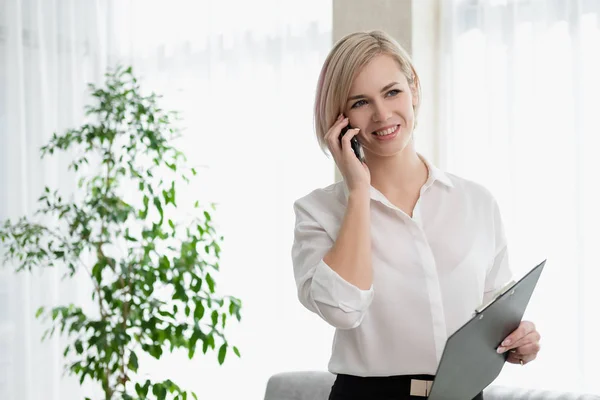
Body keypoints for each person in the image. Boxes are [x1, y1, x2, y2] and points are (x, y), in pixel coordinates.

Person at [291, 30, 541, 400]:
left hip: (464, 394)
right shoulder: (318, 212)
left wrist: (521, 341)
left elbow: (495, 319)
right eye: (361, 102)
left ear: (414, 90)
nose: (381, 114)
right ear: (340, 119)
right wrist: (359, 192)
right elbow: (342, 310)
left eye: (392, 92)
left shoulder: (476, 202)